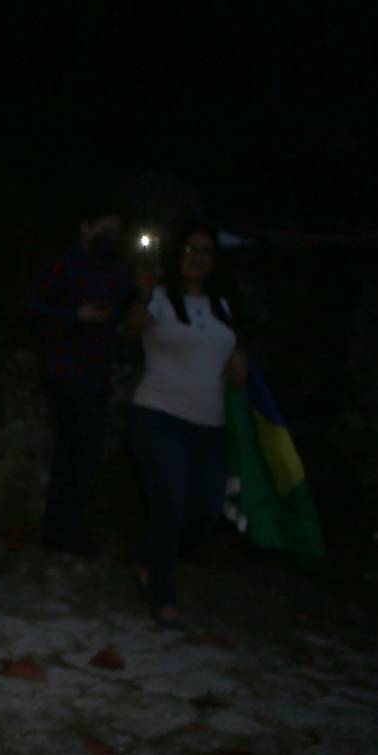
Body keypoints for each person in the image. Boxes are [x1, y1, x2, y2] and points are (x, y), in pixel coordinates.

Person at [121, 225, 247, 628]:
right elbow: (130, 331)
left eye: (207, 250)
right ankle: (163, 595)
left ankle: (146, 556)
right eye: (191, 248)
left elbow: (233, 360)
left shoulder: (223, 307)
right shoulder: (158, 299)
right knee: (170, 503)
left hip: (209, 424)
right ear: (178, 255)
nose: (198, 256)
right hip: (159, 414)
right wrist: (140, 293)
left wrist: (240, 364)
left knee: (205, 512)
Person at [30, 208, 136, 555]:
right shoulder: (64, 265)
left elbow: (125, 311)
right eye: (105, 229)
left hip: (97, 372)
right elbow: (35, 308)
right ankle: (63, 532)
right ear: (86, 227)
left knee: (79, 453)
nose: (111, 237)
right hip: (65, 370)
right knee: (78, 448)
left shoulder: (117, 272)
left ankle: (61, 532)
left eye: (116, 231)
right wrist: (73, 316)